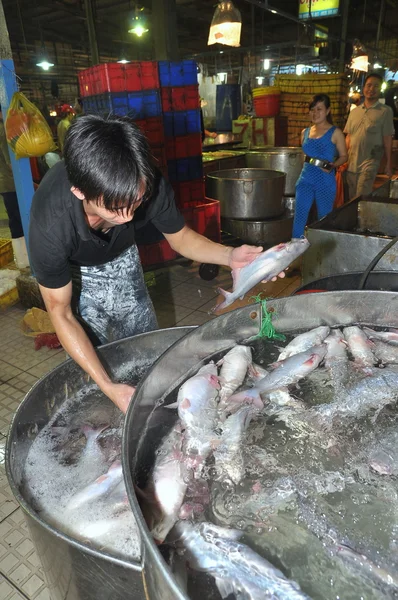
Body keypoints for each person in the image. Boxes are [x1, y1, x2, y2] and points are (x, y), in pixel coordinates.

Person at [29, 115, 285, 413]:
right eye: (114, 207)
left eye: (136, 202)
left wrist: (230, 257)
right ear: (80, 192)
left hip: (123, 255)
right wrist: (109, 387)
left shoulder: (146, 179)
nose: (127, 217)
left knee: (144, 348)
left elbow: (180, 238)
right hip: (74, 267)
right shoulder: (51, 224)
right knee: (91, 370)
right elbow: (60, 312)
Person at [292, 94, 348, 239]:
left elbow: (344, 156)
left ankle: (322, 250)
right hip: (305, 178)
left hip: (325, 180)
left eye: (319, 109)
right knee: (300, 216)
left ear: (328, 111)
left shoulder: (335, 133)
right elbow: (305, 157)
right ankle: (296, 250)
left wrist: (333, 165)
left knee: (323, 218)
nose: (315, 113)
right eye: (312, 109)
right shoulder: (305, 132)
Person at [344, 73, 395, 200]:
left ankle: (362, 219)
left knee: (361, 196)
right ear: (363, 88)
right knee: (351, 198)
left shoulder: (385, 111)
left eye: (376, 86)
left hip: (370, 162)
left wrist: (389, 163)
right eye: (369, 85)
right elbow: (348, 137)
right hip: (351, 162)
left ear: (380, 90)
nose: (371, 89)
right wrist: (343, 159)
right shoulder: (354, 112)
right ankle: (355, 220)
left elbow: (387, 137)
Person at [0, 105, 26, 263]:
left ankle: (22, 258)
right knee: (19, 217)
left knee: (14, 217)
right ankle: (25, 256)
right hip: (10, 182)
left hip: (4, 182)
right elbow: (10, 162)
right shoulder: (4, 131)